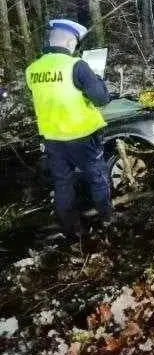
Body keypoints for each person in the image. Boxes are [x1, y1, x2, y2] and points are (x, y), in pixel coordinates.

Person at [26, 19, 112, 242]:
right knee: (97, 177)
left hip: (52, 138)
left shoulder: (32, 70)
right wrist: (96, 79)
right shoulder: (76, 66)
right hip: (82, 135)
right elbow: (101, 99)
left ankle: (72, 231)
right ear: (69, 42)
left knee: (62, 184)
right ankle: (107, 220)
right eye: (74, 42)